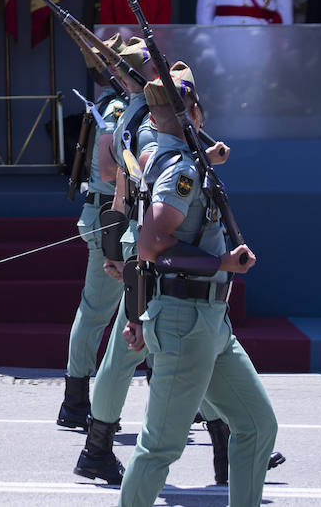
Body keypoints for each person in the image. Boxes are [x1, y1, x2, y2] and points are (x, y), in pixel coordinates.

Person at [117, 63, 278, 507]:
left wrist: (136, 314)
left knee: (257, 426)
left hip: (208, 322)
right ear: (194, 113)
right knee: (159, 448)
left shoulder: (170, 160)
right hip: (187, 322)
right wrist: (222, 261)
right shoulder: (179, 171)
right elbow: (150, 245)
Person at [57, 35, 151, 430]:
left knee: (146, 308)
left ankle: (181, 395)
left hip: (126, 218)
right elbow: (110, 170)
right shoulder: (117, 109)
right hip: (111, 219)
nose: (145, 72)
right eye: (138, 66)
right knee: (98, 311)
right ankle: (76, 400)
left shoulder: (135, 107)